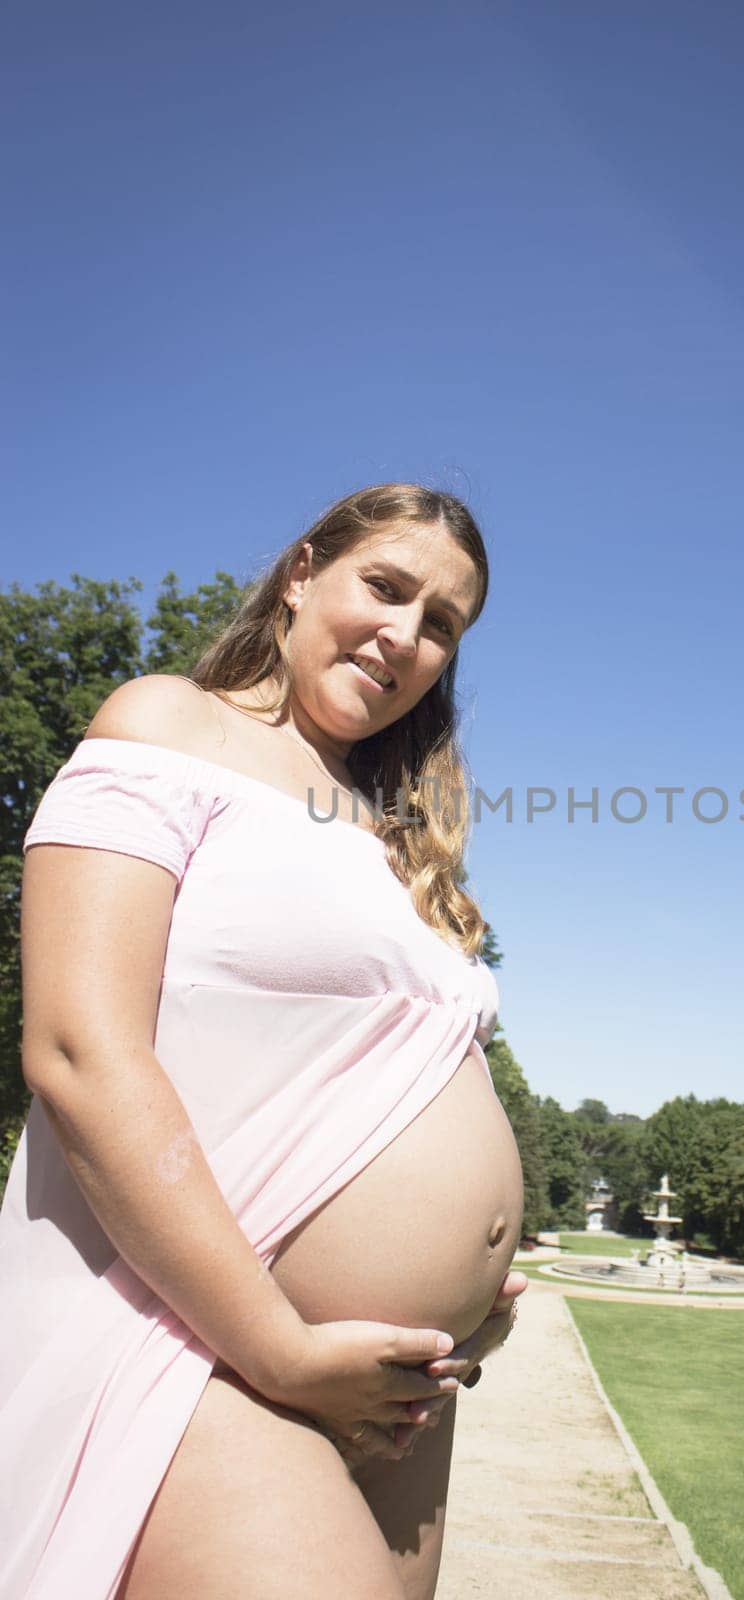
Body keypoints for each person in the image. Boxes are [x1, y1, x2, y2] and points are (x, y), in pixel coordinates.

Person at [0, 483, 527, 1600]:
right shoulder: (168, 723)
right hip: (205, 1349)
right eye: (385, 586)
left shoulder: (384, 828)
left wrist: (472, 1282)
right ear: (299, 575)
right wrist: (278, 1348)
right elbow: (79, 1050)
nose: (407, 635)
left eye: (443, 623)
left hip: (400, 1394)